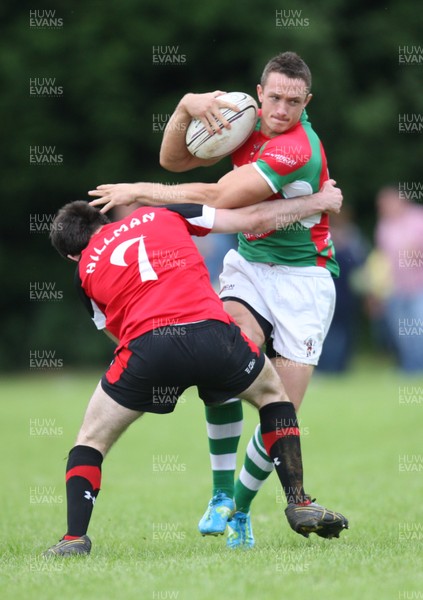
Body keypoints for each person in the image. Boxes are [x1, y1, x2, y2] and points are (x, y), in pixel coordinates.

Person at [88, 51, 342, 549]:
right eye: (274, 97)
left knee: (282, 407)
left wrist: (141, 191)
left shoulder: (297, 147)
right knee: (226, 357)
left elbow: (221, 197)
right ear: (259, 90)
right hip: (248, 266)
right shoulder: (246, 118)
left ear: (306, 102)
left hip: (305, 279)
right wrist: (185, 107)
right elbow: (176, 158)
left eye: (294, 101)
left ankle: (242, 511)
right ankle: (221, 495)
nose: (281, 109)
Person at [44, 195, 347, 557]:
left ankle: (74, 538)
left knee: (91, 439)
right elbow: (248, 218)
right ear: (102, 222)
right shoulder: (160, 213)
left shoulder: (82, 272)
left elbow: (116, 333)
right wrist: (315, 203)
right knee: (273, 396)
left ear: (71, 255)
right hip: (212, 333)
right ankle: (298, 501)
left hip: (147, 349)